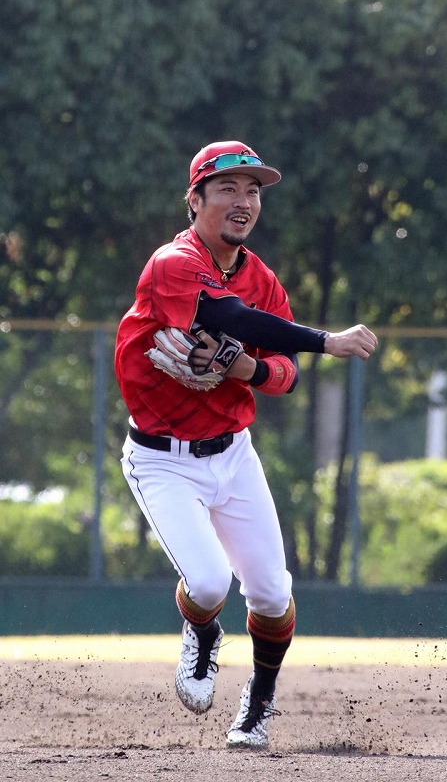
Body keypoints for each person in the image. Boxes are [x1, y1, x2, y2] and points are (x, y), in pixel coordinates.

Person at [114, 140, 378, 749]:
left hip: (232, 454)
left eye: (253, 190)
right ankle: (204, 634)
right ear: (195, 199)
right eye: (228, 188)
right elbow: (229, 317)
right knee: (209, 584)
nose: (244, 200)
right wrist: (327, 340)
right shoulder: (172, 262)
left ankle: (257, 706)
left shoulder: (263, 280)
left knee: (272, 593)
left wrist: (250, 370)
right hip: (161, 459)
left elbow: (284, 373)